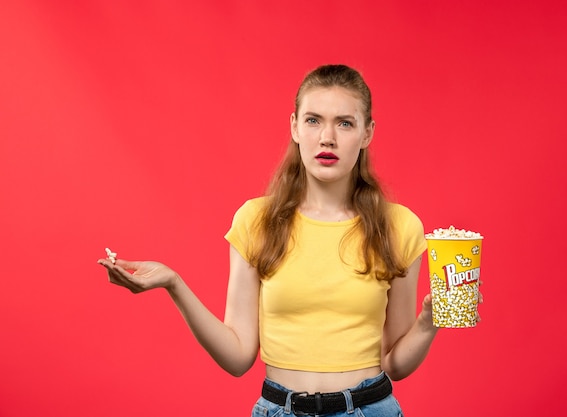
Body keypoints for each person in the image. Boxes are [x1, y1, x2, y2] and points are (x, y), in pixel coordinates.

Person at [98, 64, 443, 416]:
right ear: (294, 126)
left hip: (369, 410)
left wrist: (429, 322)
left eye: (345, 123)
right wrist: (173, 283)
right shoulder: (256, 221)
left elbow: (395, 363)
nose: (327, 137)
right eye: (313, 120)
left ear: (367, 133)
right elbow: (237, 356)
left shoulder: (399, 226)